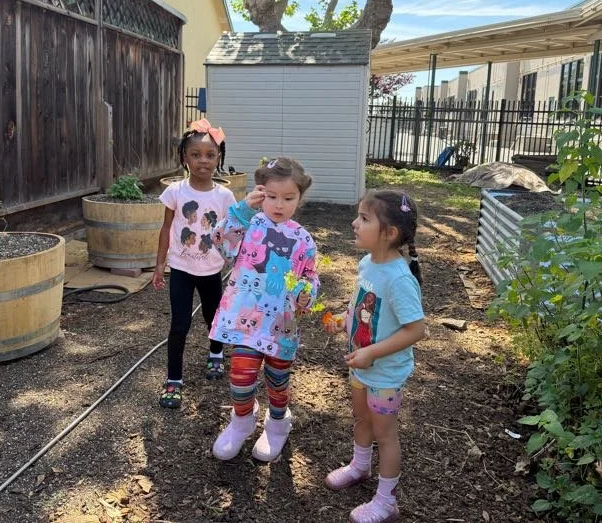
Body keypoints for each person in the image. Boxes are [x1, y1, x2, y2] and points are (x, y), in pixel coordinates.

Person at [323, 190, 426, 523]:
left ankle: (386, 501)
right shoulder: (368, 263)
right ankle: (360, 466)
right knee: (361, 418)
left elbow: (415, 330)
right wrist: (344, 319)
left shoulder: (399, 279)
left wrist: (371, 352)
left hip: (384, 374)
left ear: (390, 233)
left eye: (364, 218)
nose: (354, 223)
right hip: (361, 364)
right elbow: (364, 307)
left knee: (385, 434)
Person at [208, 157, 318, 462]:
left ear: (300, 198)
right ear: (260, 193)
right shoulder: (249, 223)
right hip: (246, 322)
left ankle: (278, 425)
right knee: (240, 378)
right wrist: (242, 209)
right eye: (271, 197)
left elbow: (309, 277)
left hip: (280, 324)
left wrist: (307, 293)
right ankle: (242, 420)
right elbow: (219, 241)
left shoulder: (304, 240)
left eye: (288, 198)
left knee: (277, 380)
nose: (279, 205)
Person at [153, 119, 236, 409]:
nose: (203, 161)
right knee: (179, 324)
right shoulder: (175, 192)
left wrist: (237, 264)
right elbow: (165, 230)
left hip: (212, 271)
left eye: (210, 155)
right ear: (184, 158)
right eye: (195, 155)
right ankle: (173, 378)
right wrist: (159, 265)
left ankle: (216, 353)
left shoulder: (225, 196)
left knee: (214, 319)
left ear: (218, 158)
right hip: (181, 270)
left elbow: (232, 233)